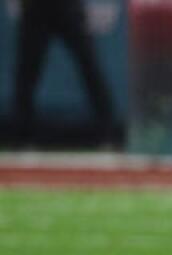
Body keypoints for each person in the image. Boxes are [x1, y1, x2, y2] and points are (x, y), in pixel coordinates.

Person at [11, 0, 115, 147]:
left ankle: (109, 134)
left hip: (67, 5)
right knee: (26, 75)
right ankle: (22, 137)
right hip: (36, 8)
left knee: (89, 67)